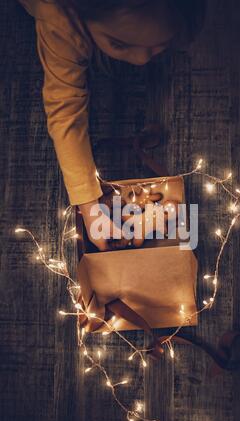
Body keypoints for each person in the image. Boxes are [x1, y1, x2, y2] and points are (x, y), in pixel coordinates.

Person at [19, 0, 206, 250]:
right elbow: (64, 109)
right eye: (118, 43)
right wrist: (88, 205)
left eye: (160, 45)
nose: (140, 59)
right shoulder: (60, 20)